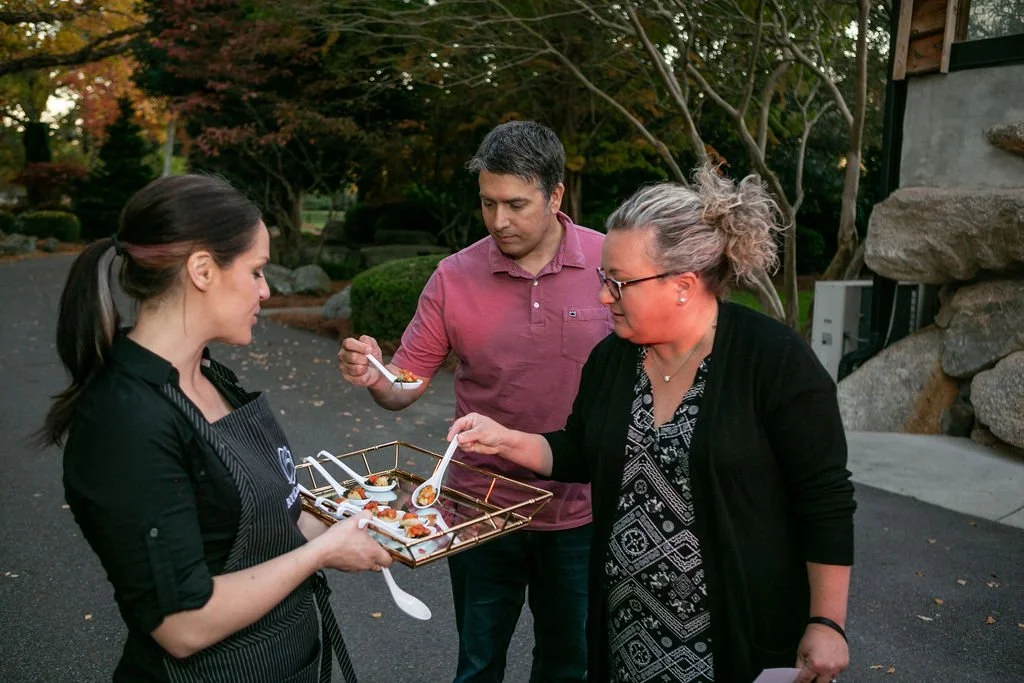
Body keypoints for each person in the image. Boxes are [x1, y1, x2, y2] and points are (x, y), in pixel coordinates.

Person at [447, 164, 857, 683]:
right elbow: (578, 451)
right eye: (603, 279)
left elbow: (824, 498)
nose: (602, 298)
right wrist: (508, 441)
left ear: (683, 285)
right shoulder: (613, 360)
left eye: (618, 284)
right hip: (626, 632)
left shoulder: (774, 363)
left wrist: (827, 621)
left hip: (731, 632)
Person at [39, 175, 392, 683]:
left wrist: (363, 517)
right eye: (256, 271)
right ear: (202, 270)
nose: (266, 291)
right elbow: (181, 625)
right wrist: (325, 552)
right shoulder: (125, 419)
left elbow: (265, 527)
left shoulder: (211, 376)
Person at [338, 121, 611, 682]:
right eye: (488, 203)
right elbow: (404, 387)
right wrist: (376, 376)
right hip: (480, 508)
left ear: (556, 196)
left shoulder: (611, 264)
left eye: (516, 204)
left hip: (584, 507)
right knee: (479, 664)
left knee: (571, 666)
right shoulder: (454, 276)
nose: (499, 221)